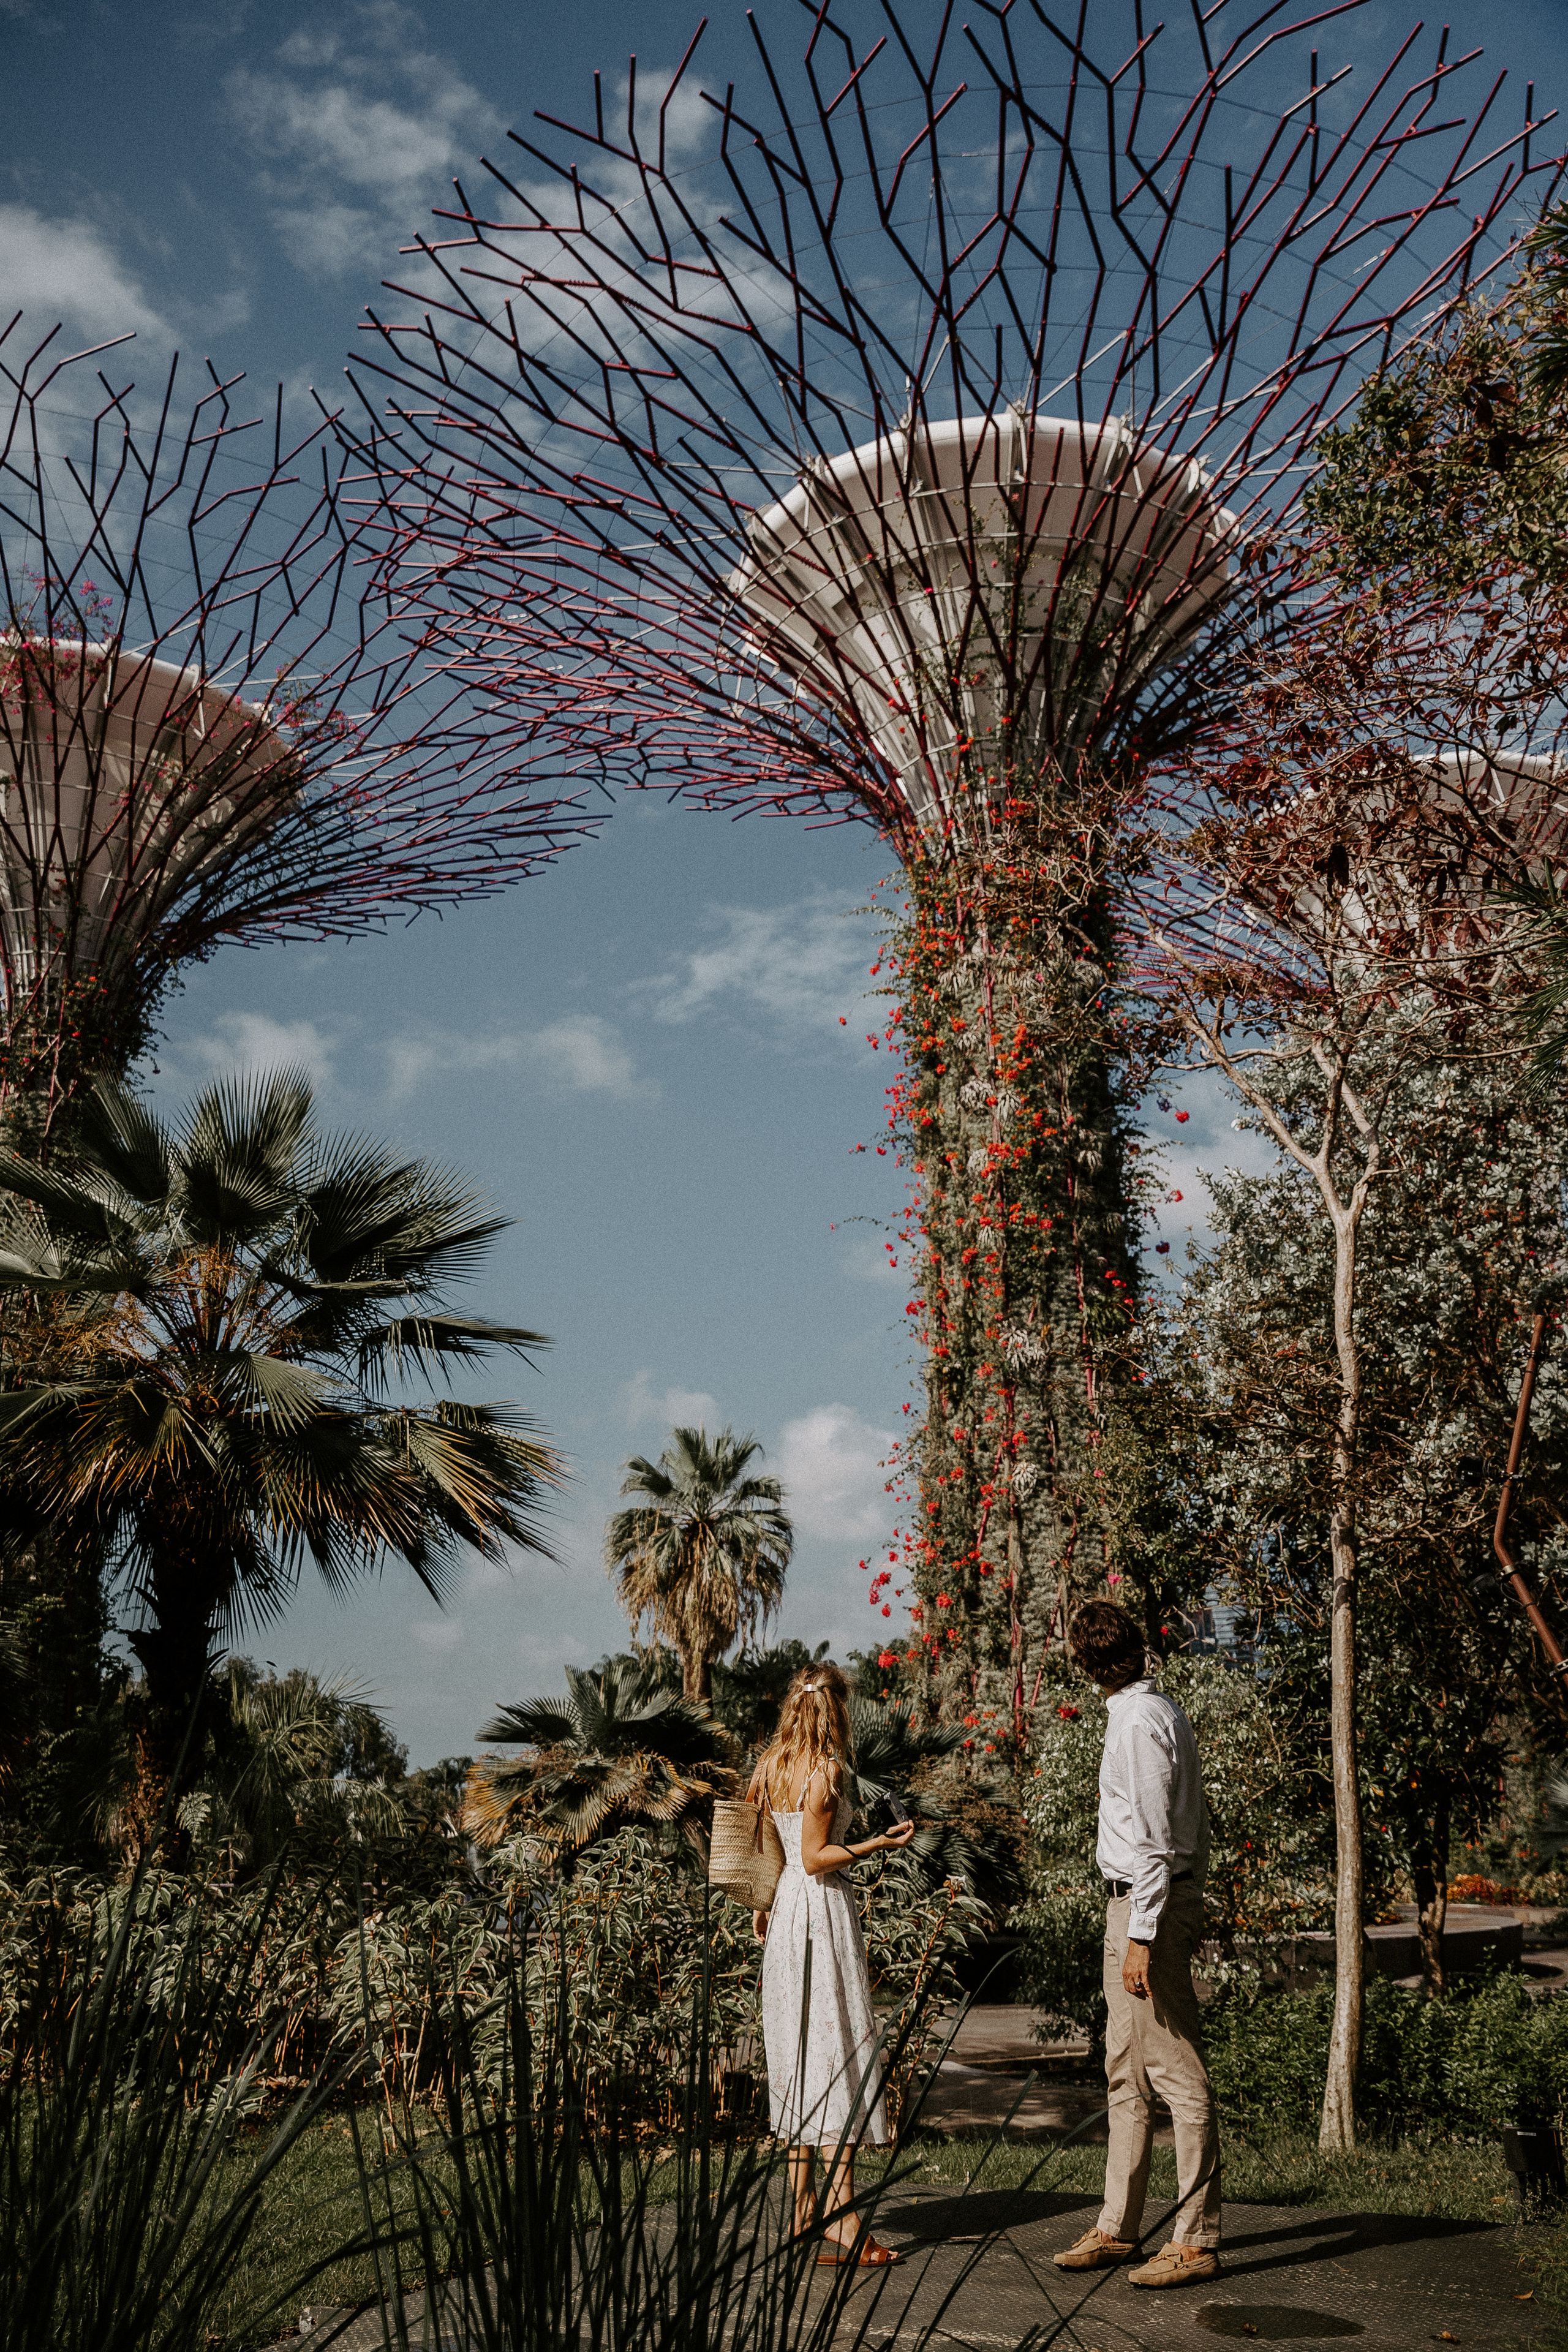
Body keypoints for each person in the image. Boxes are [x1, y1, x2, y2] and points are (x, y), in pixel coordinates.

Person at [1051, 1599, 1223, 2291]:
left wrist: (1143, 1936)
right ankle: (1118, 2226)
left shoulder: (1141, 1722)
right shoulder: (1141, 1714)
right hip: (1131, 1905)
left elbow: (1155, 1844)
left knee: (1177, 2071)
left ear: (1085, 1662)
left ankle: (1195, 2238)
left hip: (1147, 1908)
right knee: (1125, 2070)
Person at [748, 1660, 916, 2267]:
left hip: (786, 1914)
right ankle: (842, 2220)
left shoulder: (771, 1765)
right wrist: (877, 1842)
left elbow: (770, 1846)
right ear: (836, 1709)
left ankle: (802, 2212)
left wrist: (763, 1903)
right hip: (819, 1911)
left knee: (802, 2059)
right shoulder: (825, 1770)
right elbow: (816, 1857)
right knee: (834, 2054)